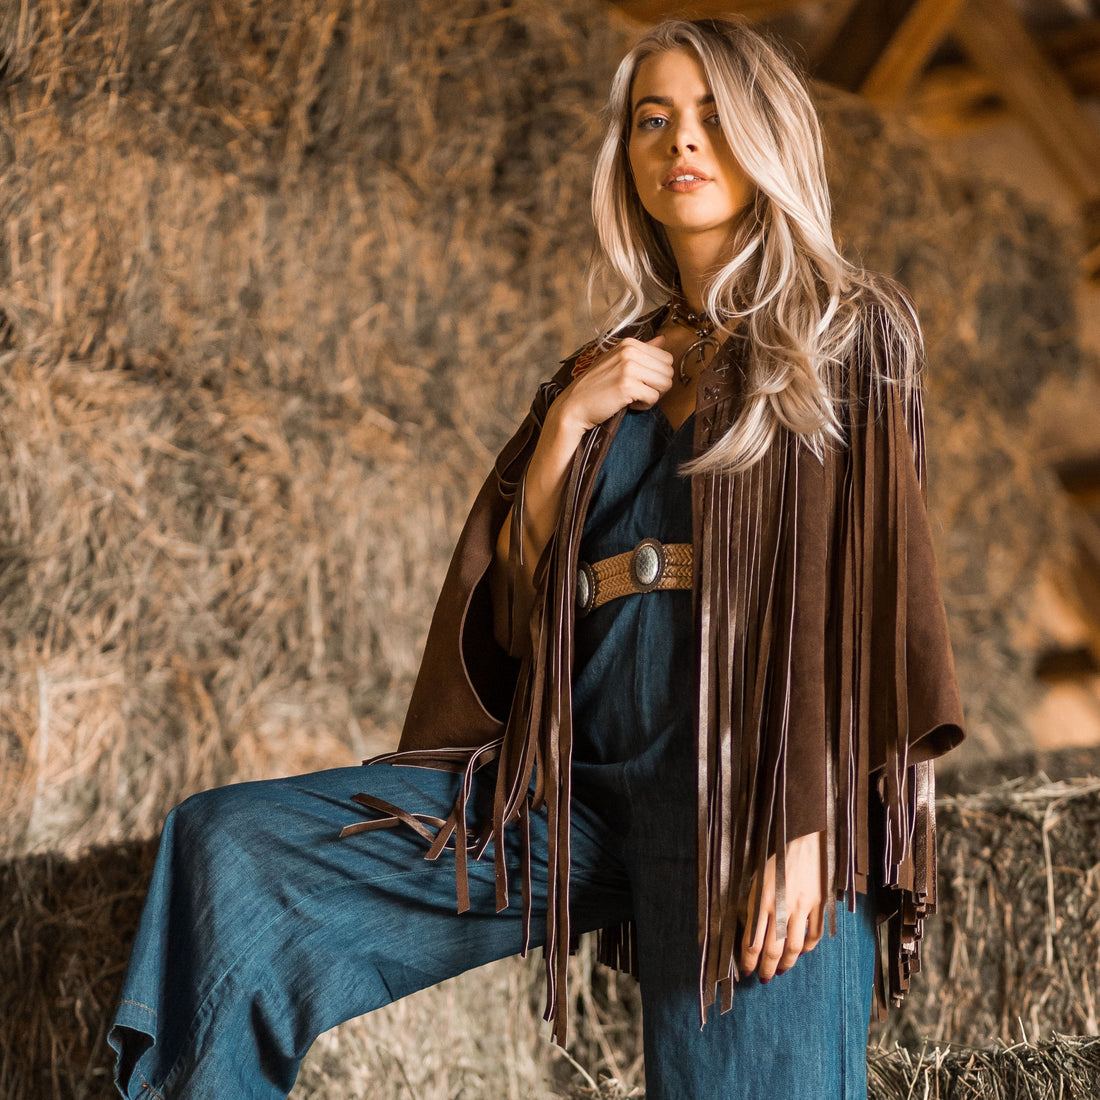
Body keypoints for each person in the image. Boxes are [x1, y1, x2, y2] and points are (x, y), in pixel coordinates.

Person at [109, 16, 964, 1100]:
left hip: (747, 793)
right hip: (567, 786)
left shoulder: (847, 330)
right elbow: (517, 622)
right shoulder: (600, 376)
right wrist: (563, 430)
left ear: (768, 134)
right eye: (651, 121)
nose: (679, 144)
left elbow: (873, 605)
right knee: (230, 848)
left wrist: (804, 825)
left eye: (710, 116)